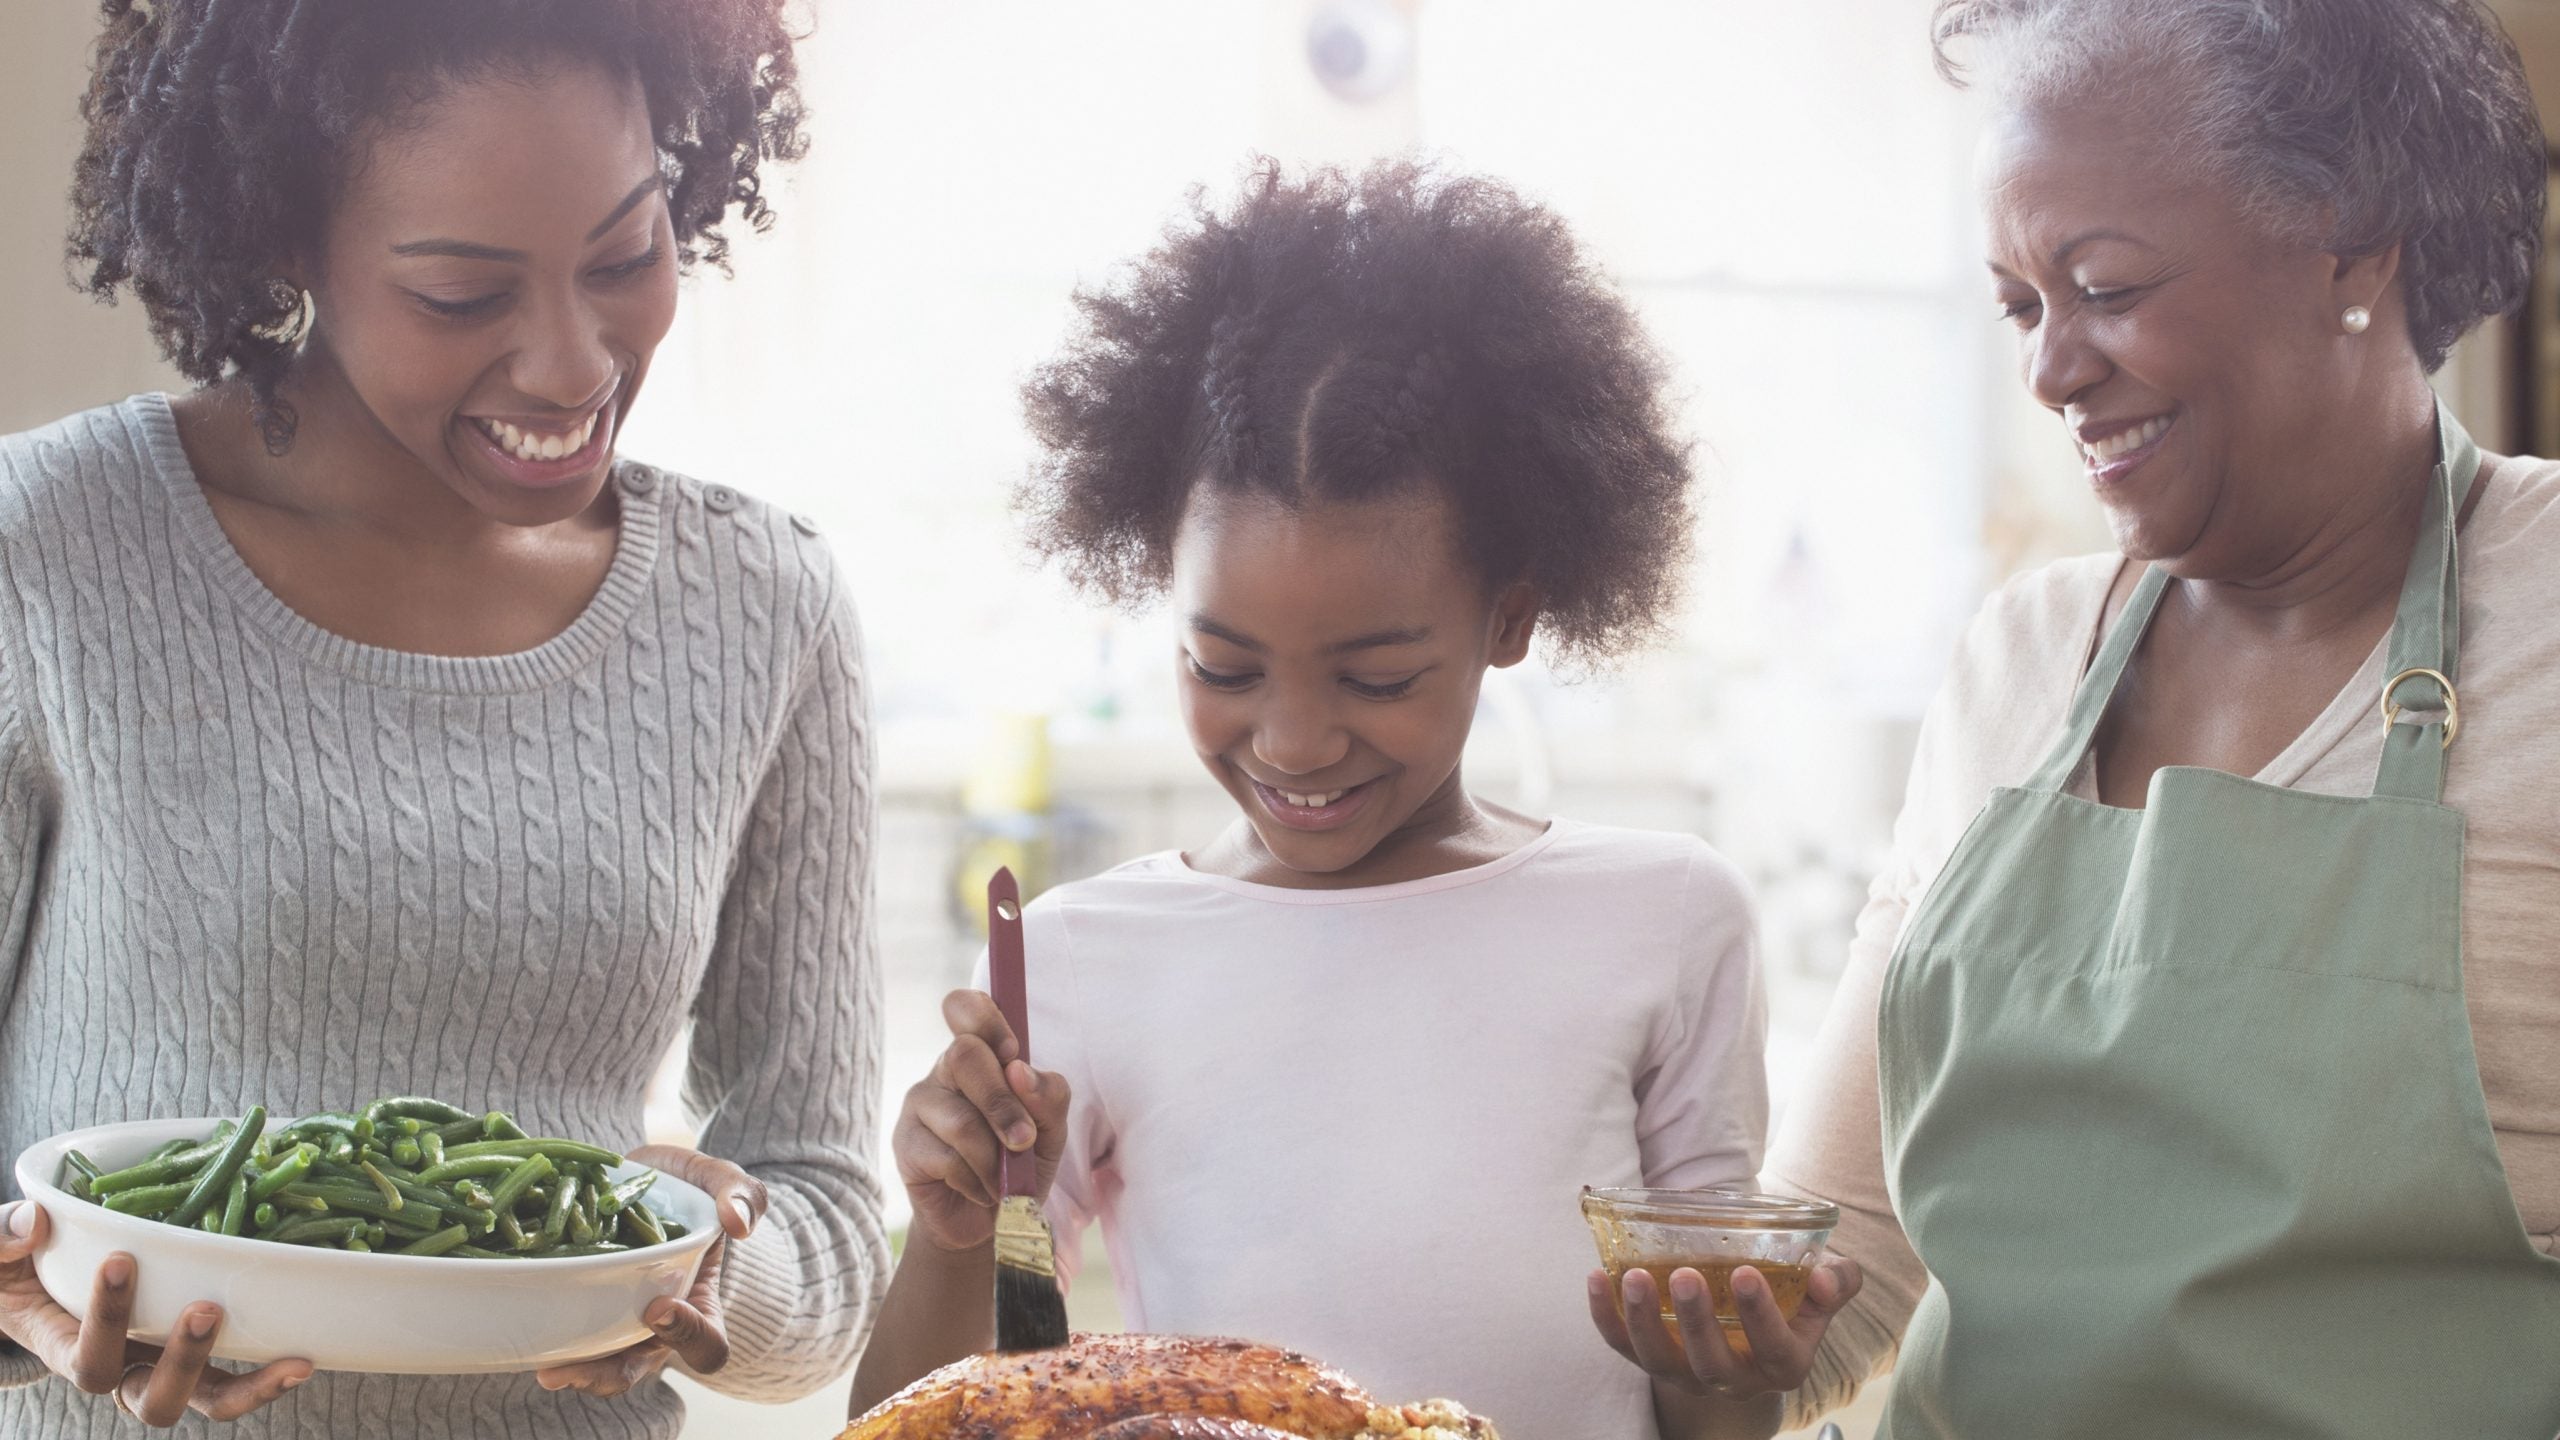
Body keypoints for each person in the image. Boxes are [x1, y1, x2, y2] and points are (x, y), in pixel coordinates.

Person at [1600, 0, 2560, 1434]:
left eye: (2104, 285)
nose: (2051, 369)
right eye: (2019, 305)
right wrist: (1708, 1328)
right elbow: (1844, 1268)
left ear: (2351, 245)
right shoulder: (2023, 656)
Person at [0, 2, 889, 1434]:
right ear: (287, 242)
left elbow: (833, 1241)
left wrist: (719, 1271)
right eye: (464, 296)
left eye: (627, 254)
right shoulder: (43, 554)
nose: (571, 365)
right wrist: (23, 1311)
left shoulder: (762, 608)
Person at [846, 160, 1814, 1439]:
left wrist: (1732, 1364)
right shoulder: (1080, 957)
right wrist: (959, 1232)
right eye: (1223, 667)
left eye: (1378, 675)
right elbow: (917, 1420)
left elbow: (1703, 1413)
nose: (1294, 744)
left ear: (1510, 618)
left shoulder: (1669, 919)